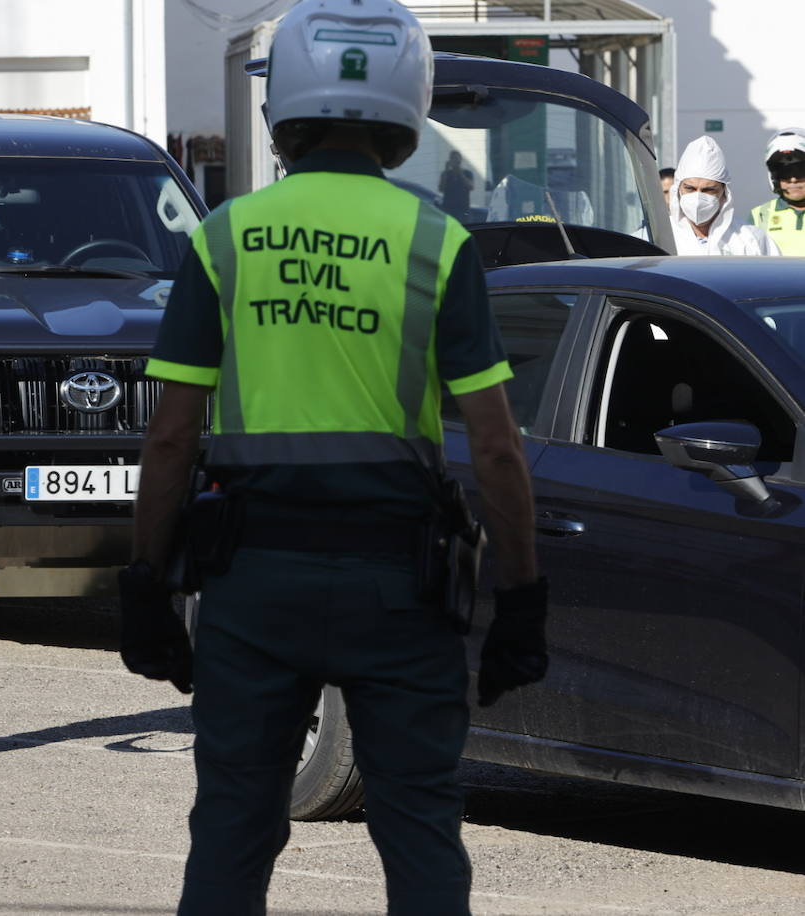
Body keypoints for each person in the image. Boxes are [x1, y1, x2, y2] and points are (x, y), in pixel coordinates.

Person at [122, 2, 546, 913]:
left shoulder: (223, 239)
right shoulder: (439, 244)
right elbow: (499, 449)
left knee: (234, 831)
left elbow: (169, 436)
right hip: (398, 586)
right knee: (420, 832)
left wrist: (146, 581)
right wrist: (523, 596)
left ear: (284, 105)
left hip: (252, 585)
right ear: (407, 102)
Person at [669, 136, 778, 256]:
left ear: (725, 194)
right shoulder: (658, 237)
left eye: (708, 190)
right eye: (690, 188)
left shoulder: (752, 239)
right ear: (678, 189)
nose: (698, 198)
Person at [751, 127, 805, 255]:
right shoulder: (759, 216)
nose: (793, 179)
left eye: (800, 171)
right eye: (785, 173)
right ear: (775, 178)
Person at [438, 150, 474, 220]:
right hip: (449, 209)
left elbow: (471, 186)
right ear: (450, 160)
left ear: (460, 161)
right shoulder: (446, 174)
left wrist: (460, 173)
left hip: (463, 209)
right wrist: (446, 170)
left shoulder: (467, 173)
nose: (456, 162)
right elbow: (441, 189)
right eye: (453, 159)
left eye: (457, 159)